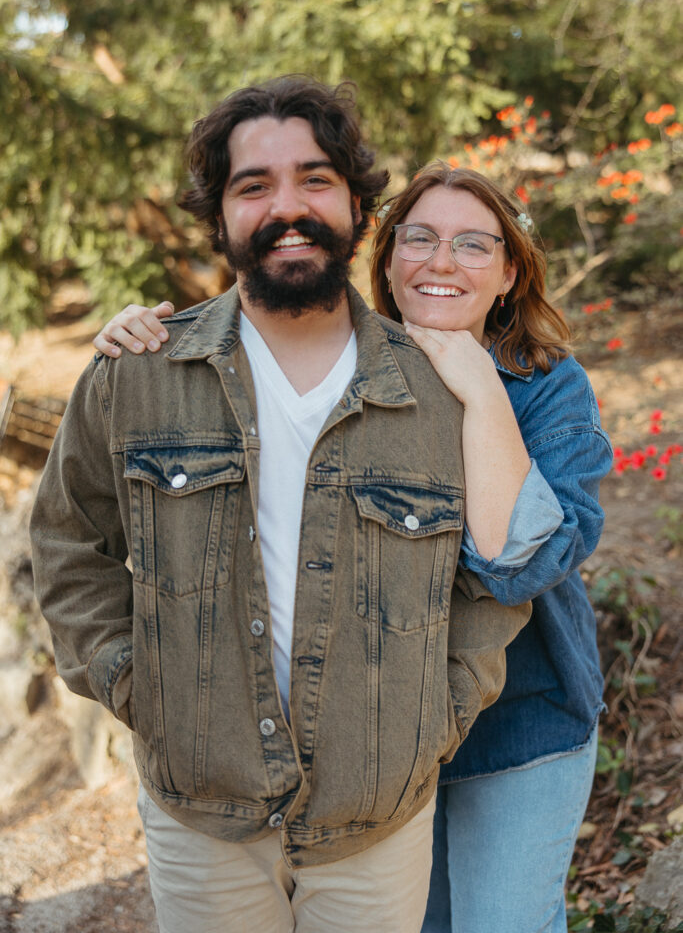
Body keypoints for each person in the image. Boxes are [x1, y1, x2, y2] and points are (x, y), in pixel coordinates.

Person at [30, 77, 530, 933]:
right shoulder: (135, 377)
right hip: (202, 816)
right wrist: (131, 683)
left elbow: (493, 578)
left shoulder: (441, 393)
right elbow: (69, 545)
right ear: (218, 216)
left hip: (377, 819)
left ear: (357, 205)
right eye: (253, 185)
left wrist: (437, 716)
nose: (286, 206)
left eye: (314, 179)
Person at [100, 158, 612, 933]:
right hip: (363, 740)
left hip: (519, 723)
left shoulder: (547, 388)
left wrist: (476, 386)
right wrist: (135, 341)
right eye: (420, 239)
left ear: (509, 273)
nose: (441, 262)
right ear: (387, 257)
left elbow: (524, 566)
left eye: (474, 245)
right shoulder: (341, 368)